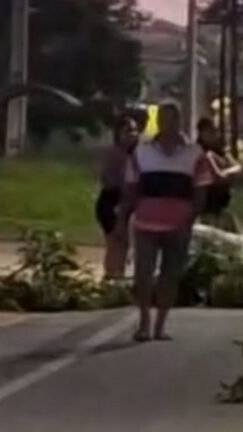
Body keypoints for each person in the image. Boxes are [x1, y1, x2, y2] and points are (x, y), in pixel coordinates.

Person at [119, 101, 212, 342]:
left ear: (179, 121)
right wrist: (126, 215)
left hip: (178, 225)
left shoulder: (194, 154)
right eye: (162, 119)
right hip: (145, 223)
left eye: (172, 119)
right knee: (143, 273)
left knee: (170, 275)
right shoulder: (142, 152)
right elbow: (131, 186)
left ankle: (160, 324)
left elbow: (200, 189)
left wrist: (190, 218)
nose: (167, 124)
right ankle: (144, 322)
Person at [96, 115, 139, 279]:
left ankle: (117, 276)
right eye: (128, 131)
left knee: (124, 243)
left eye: (135, 130)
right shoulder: (114, 154)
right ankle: (111, 277)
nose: (133, 134)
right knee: (115, 242)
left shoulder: (135, 155)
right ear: (118, 134)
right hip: (111, 201)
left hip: (126, 203)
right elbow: (107, 180)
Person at [196, 117, 242, 232]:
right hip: (208, 208)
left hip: (223, 205)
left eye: (215, 130)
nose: (215, 134)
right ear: (202, 133)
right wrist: (227, 173)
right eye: (210, 131)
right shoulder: (201, 152)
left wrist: (226, 172)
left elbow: (238, 167)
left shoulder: (219, 150)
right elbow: (217, 177)